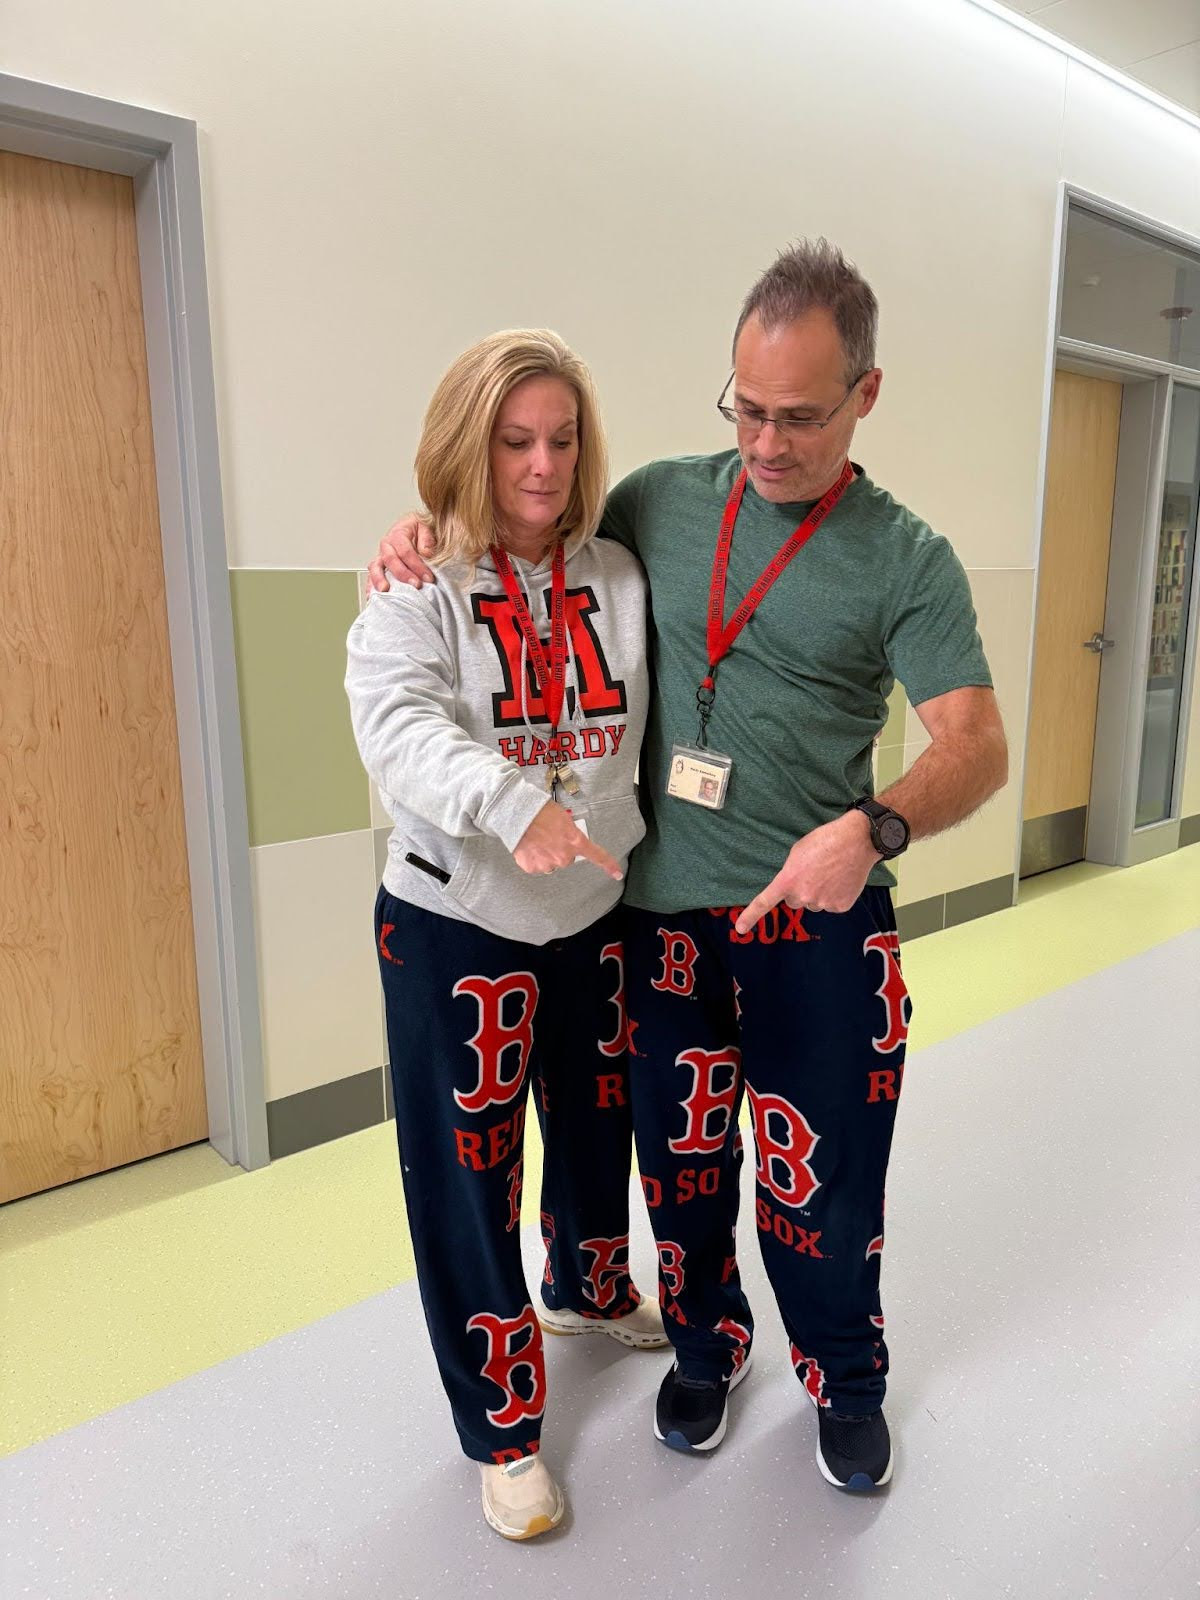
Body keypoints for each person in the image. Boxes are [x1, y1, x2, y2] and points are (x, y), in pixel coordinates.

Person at [369, 239, 1009, 1495]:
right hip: (654, 921)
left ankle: (845, 1375)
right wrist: (411, 530)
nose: (768, 443)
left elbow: (978, 748)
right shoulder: (661, 501)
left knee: (823, 1178)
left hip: (815, 919)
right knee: (684, 1169)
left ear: (866, 396)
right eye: (748, 408)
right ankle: (709, 1351)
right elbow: (512, 521)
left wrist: (872, 830)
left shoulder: (906, 557)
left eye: (803, 417)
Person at [346, 329, 667, 1543]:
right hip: (455, 923)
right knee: (466, 1177)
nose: (541, 464)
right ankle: (502, 1428)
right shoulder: (416, 582)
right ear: (469, 444)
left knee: (598, 1127)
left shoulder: (622, 576)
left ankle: (587, 1287)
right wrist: (509, 801)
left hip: (591, 914)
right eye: (514, 439)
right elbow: (396, 726)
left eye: (562, 437)